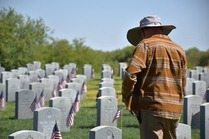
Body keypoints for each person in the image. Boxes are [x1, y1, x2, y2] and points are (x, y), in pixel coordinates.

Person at [122, 15, 187, 139]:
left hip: (152, 107)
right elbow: (183, 82)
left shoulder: (145, 45)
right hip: (175, 109)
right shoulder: (179, 49)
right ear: (161, 29)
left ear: (143, 31)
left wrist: (126, 96)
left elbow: (131, 75)